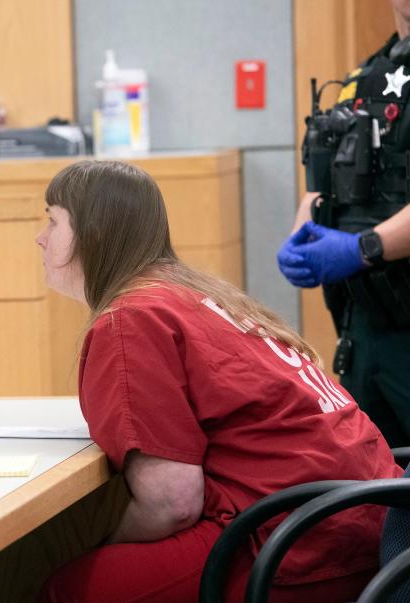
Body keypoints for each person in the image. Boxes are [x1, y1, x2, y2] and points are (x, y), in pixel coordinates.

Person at [36, 160, 402, 603]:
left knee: (67, 588)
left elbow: (172, 503)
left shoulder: (131, 318)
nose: (41, 238)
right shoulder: (193, 293)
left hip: (301, 543)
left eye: (53, 221)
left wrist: (96, 541)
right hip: (373, 522)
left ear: (92, 233)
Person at [277, 0, 410, 447]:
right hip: (365, 326)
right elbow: (322, 184)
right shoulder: (362, 81)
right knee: (371, 491)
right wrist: (304, 239)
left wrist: (363, 248)